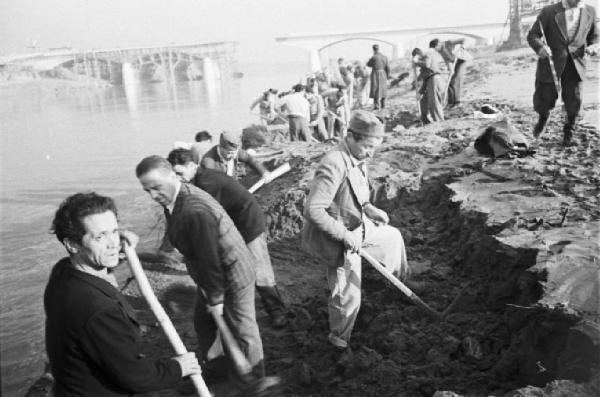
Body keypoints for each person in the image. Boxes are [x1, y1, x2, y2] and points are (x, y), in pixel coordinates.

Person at [45, 192, 200, 396]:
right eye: (100, 236)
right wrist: (178, 367)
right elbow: (135, 377)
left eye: (114, 231)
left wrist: (113, 242)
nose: (113, 243)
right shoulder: (98, 310)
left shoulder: (63, 270)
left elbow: (96, 261)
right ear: (72, 244)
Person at [136, 155, 266, 387]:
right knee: (204, 322)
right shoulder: (175, 199)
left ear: (172, 176)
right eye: (148, 191)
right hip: (210, 276)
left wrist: (216, 297)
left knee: (242, 329)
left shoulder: (194, 210)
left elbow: (209, 258)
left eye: (156, 188)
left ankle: (254, 381)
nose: (153, 196)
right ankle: (216, 371)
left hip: (232, 274)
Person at [302, 110, 410, 350]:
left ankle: (398, 288)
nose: (371, 153)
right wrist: (344, 236)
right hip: (337, 237)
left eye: (375, 147)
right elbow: (314, 210)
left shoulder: (359, 157)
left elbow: (356, 194)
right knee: (348, 296)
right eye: (368, 146)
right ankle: (339, 341)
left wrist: (369, 208)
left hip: (358, 225)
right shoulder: (333, 164)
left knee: (393, 238)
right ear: (350, 137)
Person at [167, 148, 287, 328]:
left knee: (260, 270)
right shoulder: (197, 180)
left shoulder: (207, 184)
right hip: (234, 222)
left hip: (248, 223)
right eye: (173, 174)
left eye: (179, 173)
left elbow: (210, 219)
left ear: (192, 166)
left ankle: (277, 311)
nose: (177, 178)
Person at [527, 0, 598, 146]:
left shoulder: (590, 11)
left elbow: (594, 36)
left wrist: (594, 46)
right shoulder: (548, 11)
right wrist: (540, 48)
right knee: (545, 97)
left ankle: (569, 132)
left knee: (574, 99)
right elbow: (533, 35)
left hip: (576, 63)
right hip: (551, 63)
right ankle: (543, 118)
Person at [201, 130, 271, 180]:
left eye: (234, 152)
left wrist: (264, 172)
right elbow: (213, 183)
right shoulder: (209, 163)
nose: (233, 155)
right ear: (221, 148)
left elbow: (250, 159)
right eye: (229, 153)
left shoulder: (234, 151)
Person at [416, 39, 449, 124]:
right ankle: (427, 121)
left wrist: (417, 61)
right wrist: (421, 91)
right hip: (431, 79)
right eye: (439, 46)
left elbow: (427, 65)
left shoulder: (430, 53)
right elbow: (426, 68)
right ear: (436, 45)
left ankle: (439, 121)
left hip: (433, 78)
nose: (440, 47)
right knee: (424, 100)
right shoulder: (432, 53)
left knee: (434, 101)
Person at [445, 40, 472, 107]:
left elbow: (463, 40)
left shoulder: (447, 43)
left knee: (455, 80)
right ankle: (451, 102)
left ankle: (457, 102)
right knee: (450, 83)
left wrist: (462, 46)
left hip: (461, 60)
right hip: (455, 61)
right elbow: (447, 61)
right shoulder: (438, 52)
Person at [366, 44, 390, 110]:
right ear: (379, 49)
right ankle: (383, 105)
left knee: (375, 89)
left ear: (373, 49)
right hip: (383, 74)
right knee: (383, 89)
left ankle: (376, 106)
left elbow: (368, 64)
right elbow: (388, 68)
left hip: (375, 74)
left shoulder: (373, 57)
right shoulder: (385, 57)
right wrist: (387, 76)